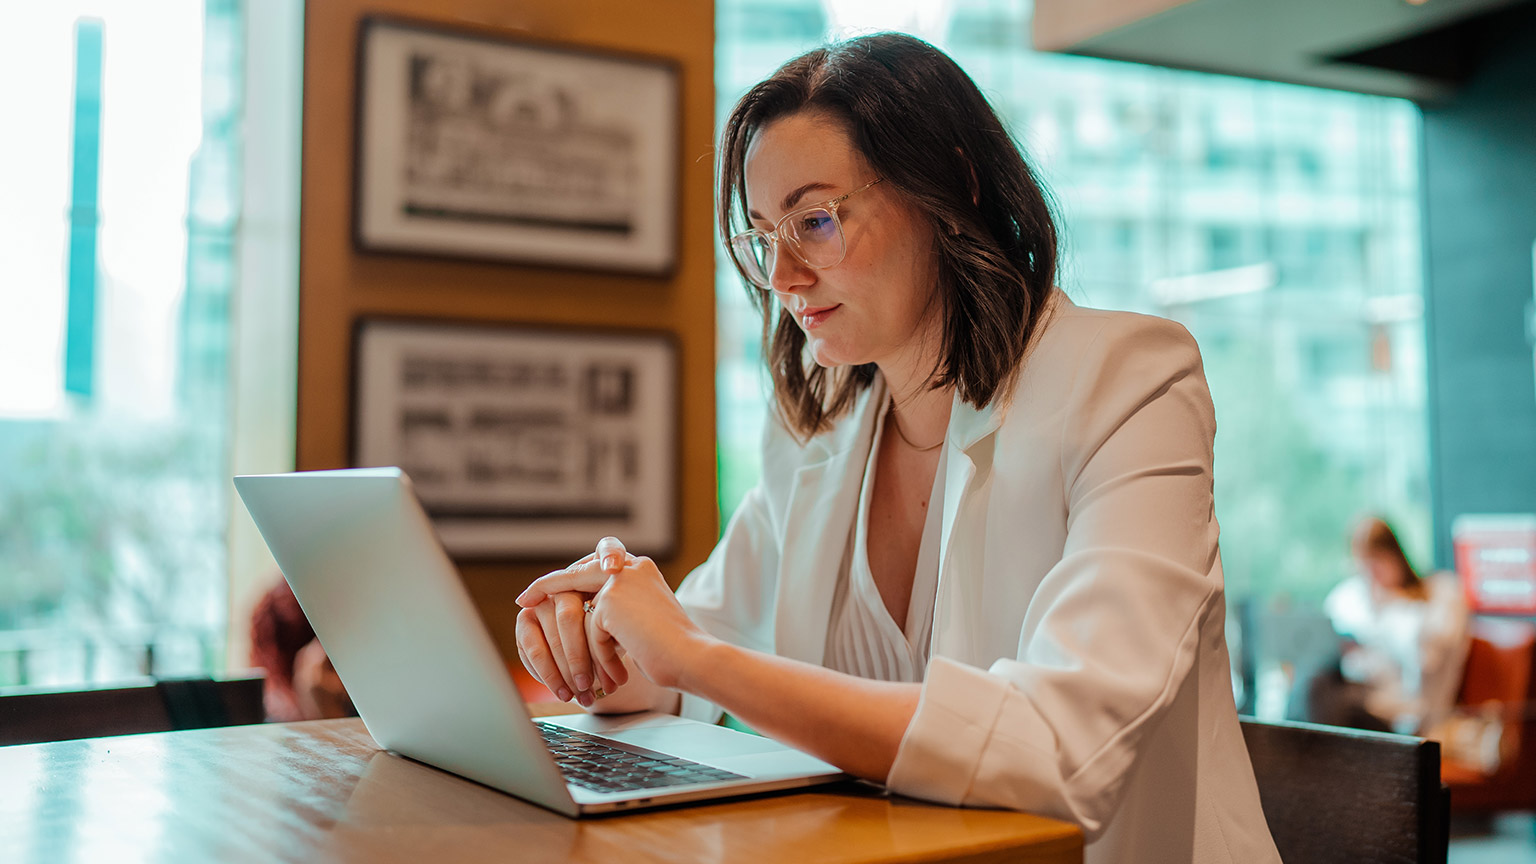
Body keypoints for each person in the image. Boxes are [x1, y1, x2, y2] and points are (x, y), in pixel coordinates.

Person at [514, 33, 1279, 863]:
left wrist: (695, 657)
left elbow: (1061, 749)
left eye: (815, 221)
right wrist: (595, 647)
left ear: (953, 187)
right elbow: (686, 653)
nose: (783, 278)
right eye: (765, 235)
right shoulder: (823, 426)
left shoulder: (1130, 382)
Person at [1297, 516, 1470, 735]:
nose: (1372, 576)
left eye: (1377, 562)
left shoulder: (1438, 597)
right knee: (1312, 682)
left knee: (1322, 694)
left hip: (1401, 713)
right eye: (1364, 566)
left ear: (1396, 556)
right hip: (1363, 695)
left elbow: (1426, 658)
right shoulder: (1355, 599)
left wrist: (1389, 604)